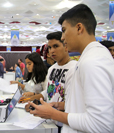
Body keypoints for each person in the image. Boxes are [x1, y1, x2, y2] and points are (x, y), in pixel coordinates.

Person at [28, 4, 114, 133]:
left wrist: (53, 114)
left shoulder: (92, 62)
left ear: (79, 28)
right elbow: (83, 104)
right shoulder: (90, 57)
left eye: (64, 30)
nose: (63, 37)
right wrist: (62, 105)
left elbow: (101, 124)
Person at [20, 31, 77, 133]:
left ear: (66, 46)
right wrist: (32, 100)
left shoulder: (74, 68)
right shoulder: (51, 69)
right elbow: (47, 93)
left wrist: (48, 107)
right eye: (50, 47)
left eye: (55, 46)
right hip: (49, 121)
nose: (52, 51)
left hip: (65, 124)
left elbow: (73, 103)